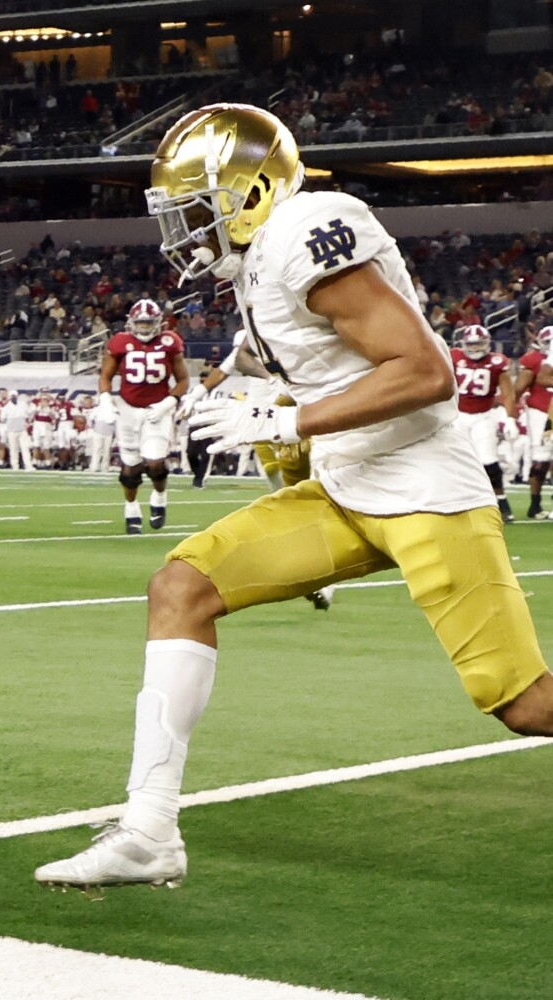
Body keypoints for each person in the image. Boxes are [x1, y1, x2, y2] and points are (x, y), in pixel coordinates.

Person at [34, 104, 553, 896]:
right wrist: (233, 401)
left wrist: (284, 417)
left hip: (423, 486)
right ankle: (148, 831)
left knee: (522, 704)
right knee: (182, 586)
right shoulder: (260, 261)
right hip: (348, 486)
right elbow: (287, 354)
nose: (185, 231)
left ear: (248, 193)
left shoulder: (306, 229)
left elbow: (423, 370)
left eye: (195, 209)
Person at [98, 298, 187, 533]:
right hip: (127, 409)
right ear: (131, 322)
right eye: (141, 323)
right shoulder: (119, 342)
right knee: (130, 467)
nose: (144, 328)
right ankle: (131, 507)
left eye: (149, 323)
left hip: (157, 409)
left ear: (158, 322)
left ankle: (159, 496)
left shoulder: (170, 342)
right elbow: (105, 375)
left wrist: (169, 402)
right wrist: (105, 399)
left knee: (156, 462)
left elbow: (183, 380)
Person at [450, 325, 517, 523]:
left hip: (484, 416)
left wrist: (511, 417)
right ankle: (458, 502)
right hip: (458, 416)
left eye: (479, 343)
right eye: (471, 343)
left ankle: (501, 501)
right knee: (456, 461)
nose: (475, 347)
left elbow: (508, 393)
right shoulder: (454, 357)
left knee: (489, 461)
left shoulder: (497, 362)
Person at [513, 326, 553, 518]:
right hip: (540, 413)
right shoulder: (535, 360)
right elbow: (519, 387)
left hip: (545, 411)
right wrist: (510, 412)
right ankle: (535, 504)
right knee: (541, 457)